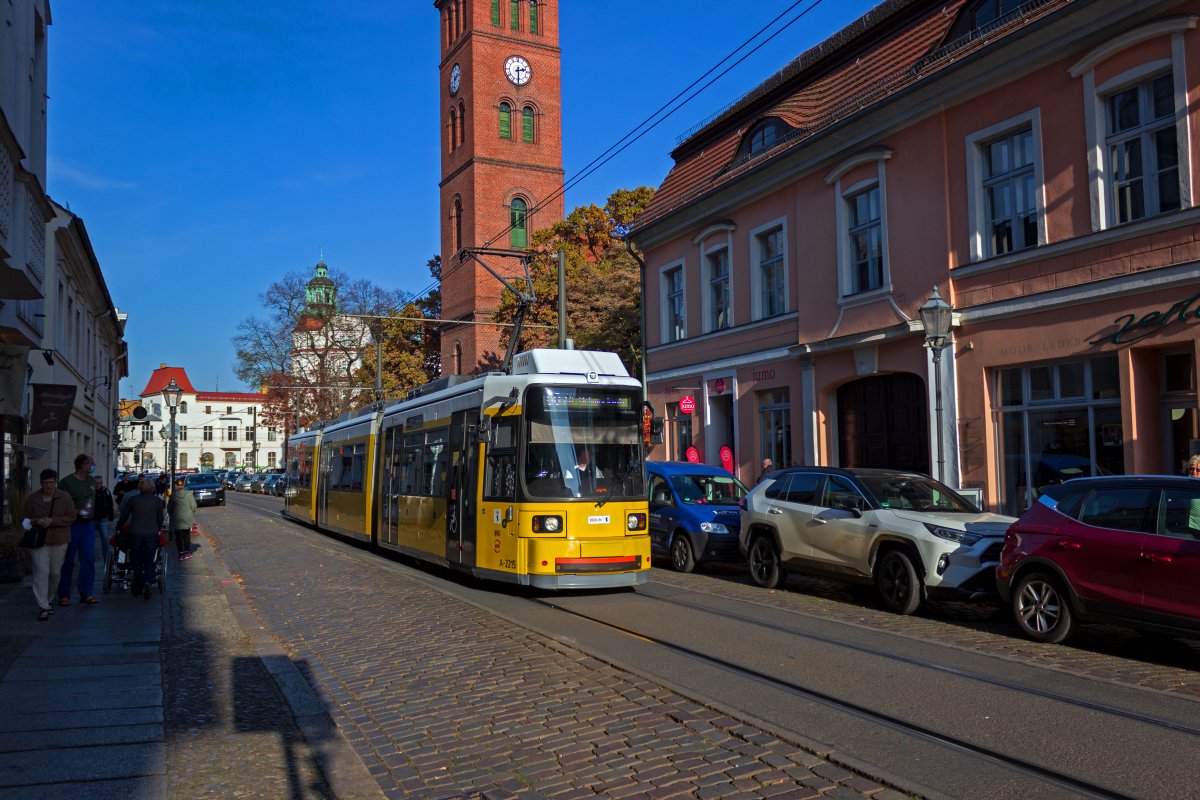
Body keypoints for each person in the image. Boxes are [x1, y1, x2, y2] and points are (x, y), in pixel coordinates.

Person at [22, 469, 76, 621]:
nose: (48, 486)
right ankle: (43, 606)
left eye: (51, 483)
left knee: (54, 573)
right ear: (41, 483)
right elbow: (25, 517)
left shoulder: (64, 497)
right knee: (41, 571)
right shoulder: (33, 499)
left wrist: (53, 521)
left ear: (55, 482)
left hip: (59, 539)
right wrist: (36, 521)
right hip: (40, 540)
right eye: (46, 483)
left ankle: (49, 599)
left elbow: (71, 516)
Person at [56, 454, 99, 607]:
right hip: (72, 525)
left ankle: (86, 592)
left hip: (87, 525)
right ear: (83, 465)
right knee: (68, 560)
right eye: (91, 463)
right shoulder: (66, 483)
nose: (93, 466)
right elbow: (60, 504)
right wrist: (75, 511)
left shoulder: (91, 481)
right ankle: (63, 594)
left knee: (88, 558)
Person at [116, 478, 164, 600]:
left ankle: (137, 586)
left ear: (140, 487)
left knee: (136, 559)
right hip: (151, 533)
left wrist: (119, 527)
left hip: (135, 532)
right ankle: (148, 581)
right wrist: (158, 528)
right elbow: (160, 518)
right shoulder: (157, 501)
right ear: (152, 488)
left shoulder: (134, 500)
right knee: (150, 559)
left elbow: (124, 515)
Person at [168, 477, 197, 560]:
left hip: (177, 517)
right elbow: (194, 506)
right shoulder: (189, 494)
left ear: (176, 486)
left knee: (179, 536)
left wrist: (172, 514)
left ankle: (181, 553)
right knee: (187, 535)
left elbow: (169, 508)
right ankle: (187, 552)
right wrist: (189, 512)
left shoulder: (173, 495)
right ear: (183, 485)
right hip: (187, 517)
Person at [93, 475, 115, 570]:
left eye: (100, 483)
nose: (98, 485)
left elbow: (110, 503)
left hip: (102, 518)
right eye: (96, 483)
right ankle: (91, 560)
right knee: (91, 541)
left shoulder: (106, 491)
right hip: (92, 519)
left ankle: (107, 561)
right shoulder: (91, 491)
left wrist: (111, 515)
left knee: (105, 540)